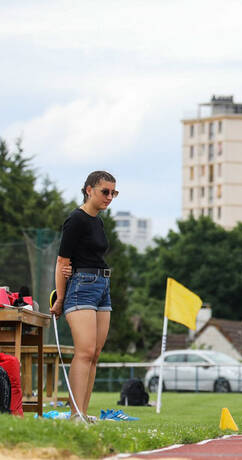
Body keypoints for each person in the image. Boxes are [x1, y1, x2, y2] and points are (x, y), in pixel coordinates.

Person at [50, 171, 117, 423]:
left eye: (113, 193)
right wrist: (60, 299)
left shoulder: (98, 220)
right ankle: (74, 414)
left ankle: (83, 412)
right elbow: (61, 262)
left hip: (102, 286)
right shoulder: (75, 220)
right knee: (85, 351)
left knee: (96, 353)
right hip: (81, 286)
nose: (110, 197)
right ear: (89, 190)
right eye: (105, 192)